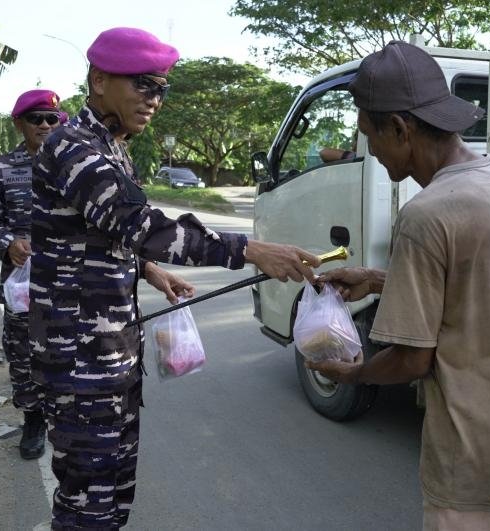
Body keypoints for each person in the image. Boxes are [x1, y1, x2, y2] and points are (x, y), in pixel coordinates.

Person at [30, 27, 320, 529]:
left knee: (115, 493)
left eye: (162, 89)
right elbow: (140, 224)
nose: (155, 100)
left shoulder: (111, 146)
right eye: (144, 84)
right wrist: (249, 250)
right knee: (87, 504)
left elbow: (99, 233)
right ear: (100, 81)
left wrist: (148, 269)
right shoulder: (72, 148)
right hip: (78, 359)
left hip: (111, 352)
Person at [307, 41, 490, 531]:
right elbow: (484, 294)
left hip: (480, 462)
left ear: (400, 129)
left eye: (369, 134)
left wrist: (355, 374)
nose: (369, 148)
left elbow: (414, 360)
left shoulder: (426, 215)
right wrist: (375, 279)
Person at [0, 89, 64, 460]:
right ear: (19, 123)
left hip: (72, 280)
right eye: (36, 118)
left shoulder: (77, 165)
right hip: (23, 282)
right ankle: (34, 419)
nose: (44, 124)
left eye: (51, 118)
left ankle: (67, 418)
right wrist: (6, 241)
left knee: (70, 351)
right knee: (24, 352)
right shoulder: (0, 167)